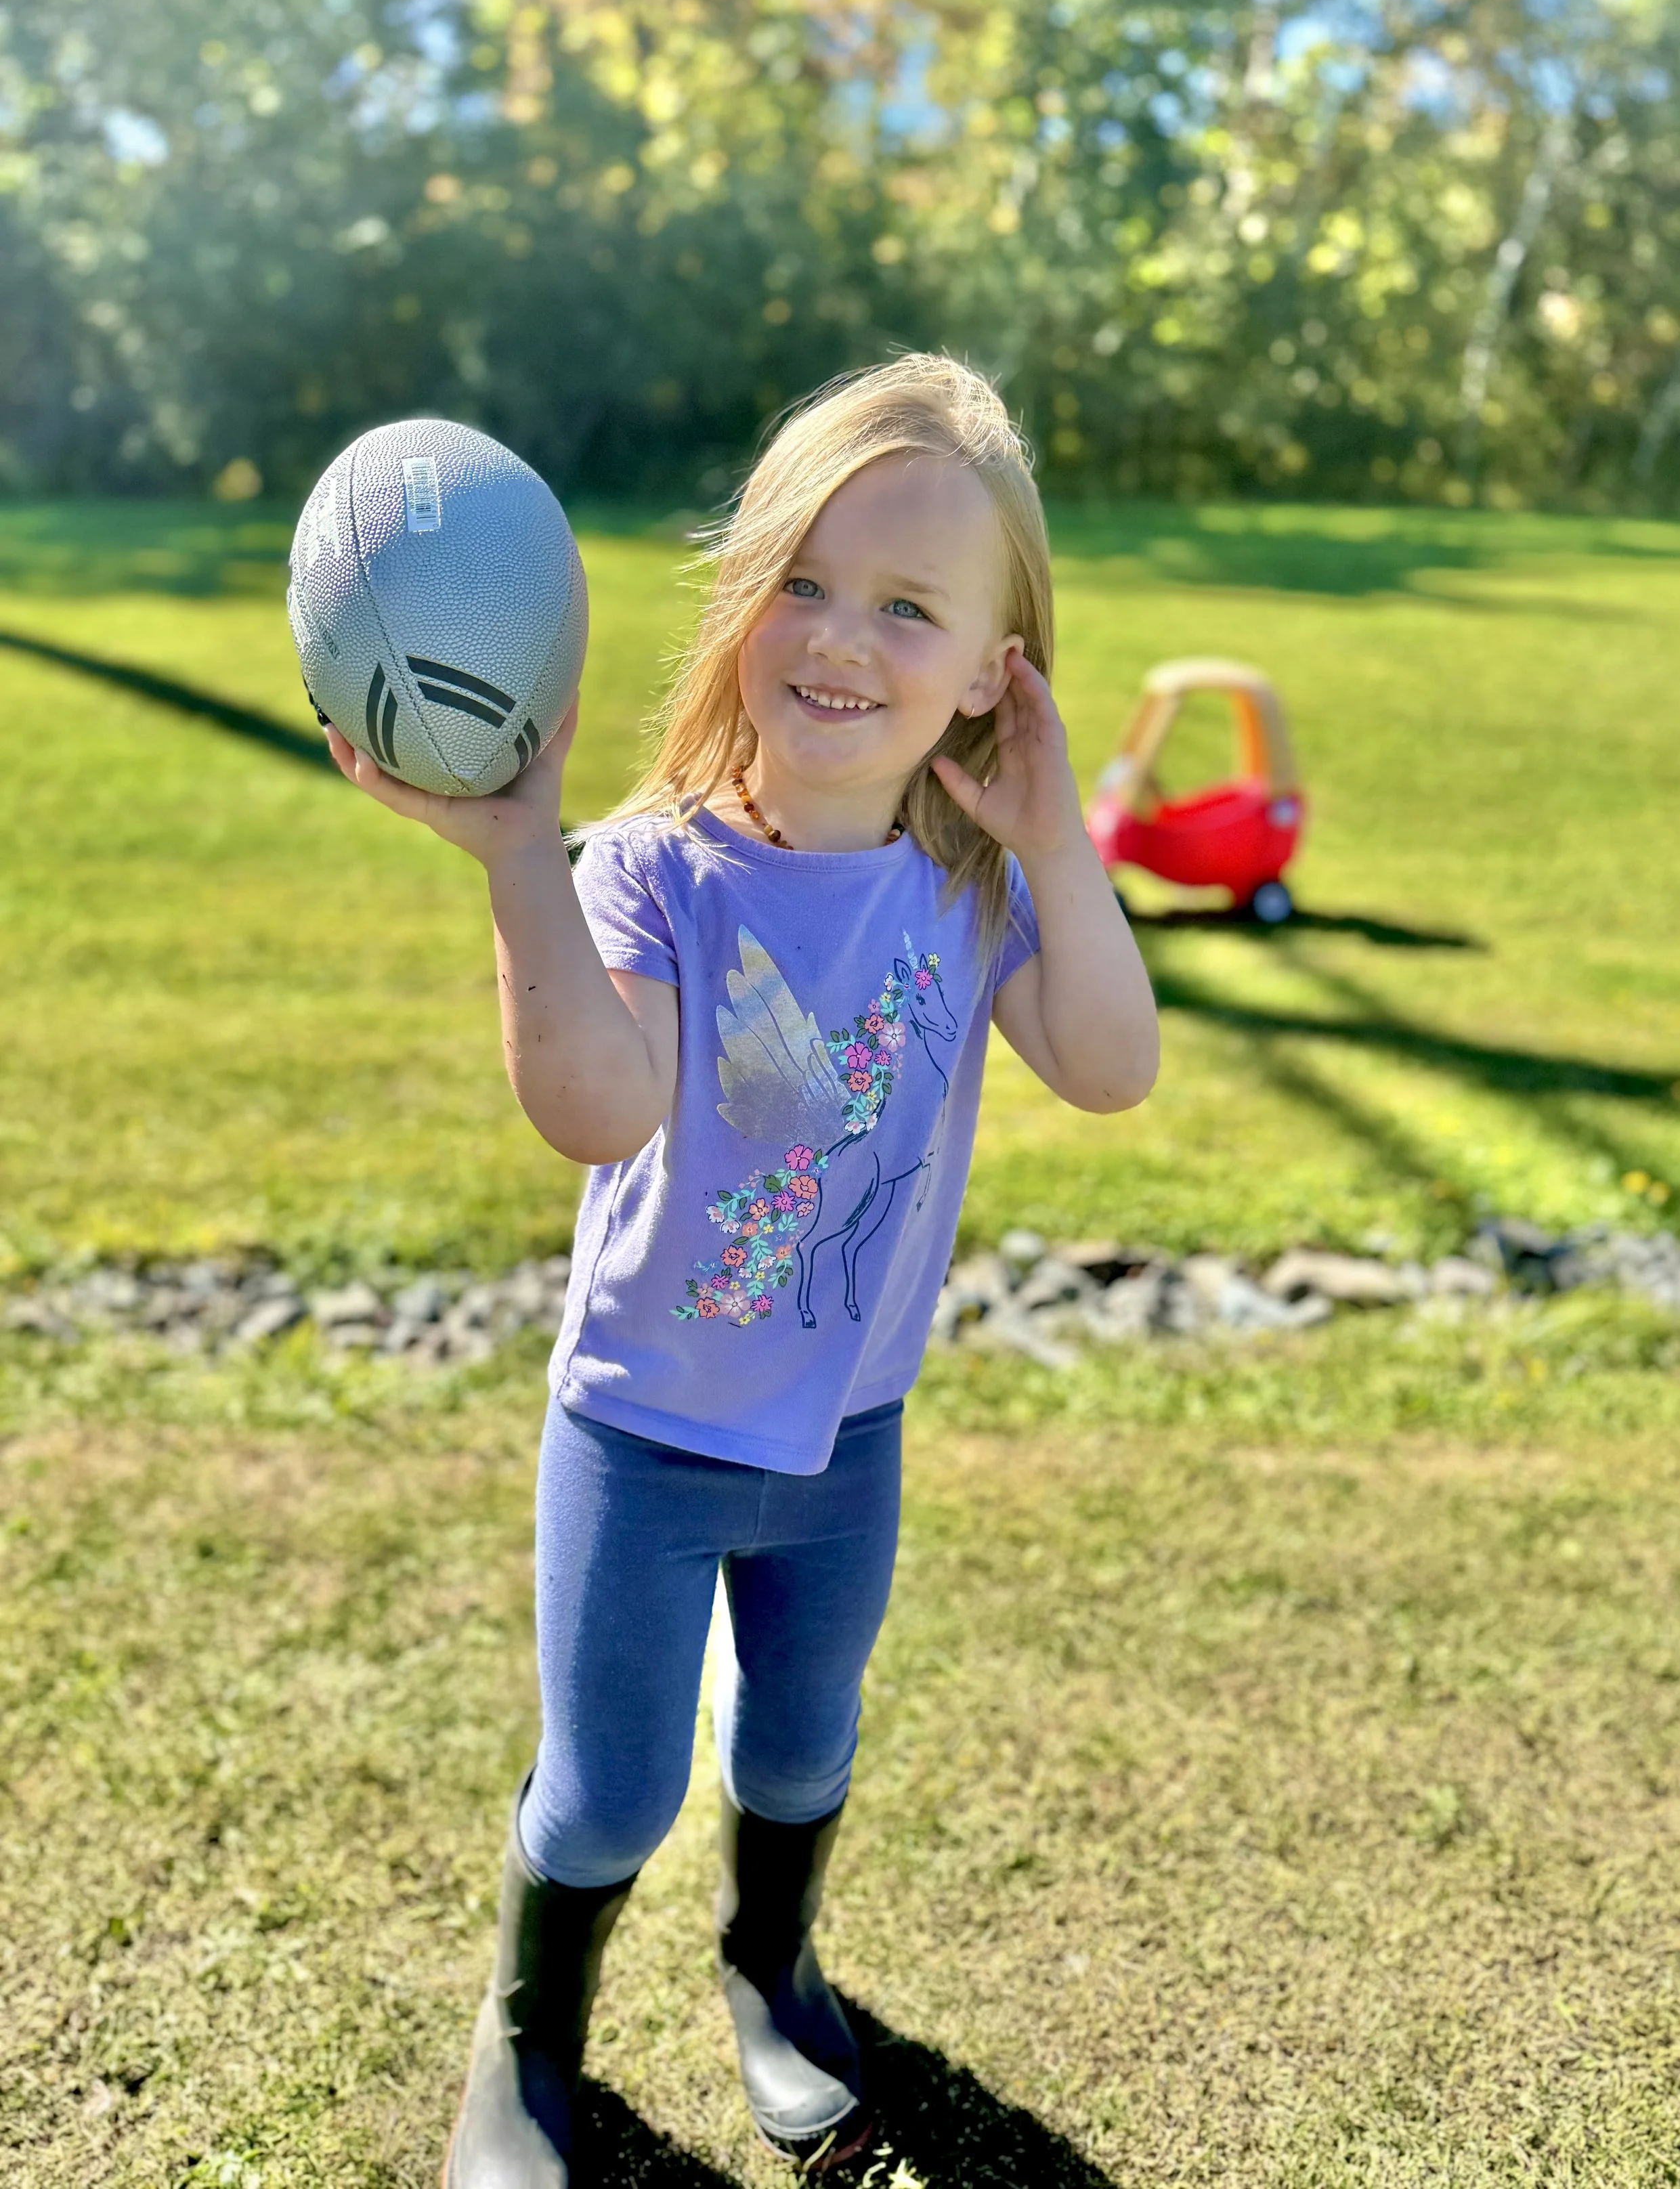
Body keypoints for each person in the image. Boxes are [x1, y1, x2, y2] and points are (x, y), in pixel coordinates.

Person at [325, 353, 1159, 2186]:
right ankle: (529, 2035)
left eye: (908, 607)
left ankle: (770, 1964)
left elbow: (1109, 1064)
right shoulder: (650, 876)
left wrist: (1049, 831)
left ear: (987, 675)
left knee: (798, 1745)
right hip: (641, 1435)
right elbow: (597, 1109)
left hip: (844, 1436)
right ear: (741, 599)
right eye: (801, 580)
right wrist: (513, 859)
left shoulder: (971, 885)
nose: (840, 637)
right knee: (612, 1787)